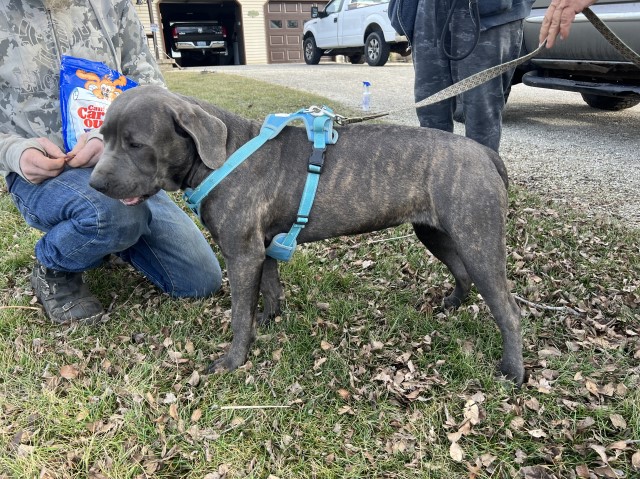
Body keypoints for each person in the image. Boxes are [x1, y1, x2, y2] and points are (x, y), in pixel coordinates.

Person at [0, 0, 222, 325]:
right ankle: (54, 265)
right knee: (112, 215)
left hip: (121, 161)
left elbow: (150, 85)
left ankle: (107, 238)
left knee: (199, 280)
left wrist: (105, 137)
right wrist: (14, 152)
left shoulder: (114, 4)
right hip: (42, 174)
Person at [391, 0, 536, 153]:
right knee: (431, 113)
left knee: (481, 114)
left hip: (489, 12)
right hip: (427, 9)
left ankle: (481, 175)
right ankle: (437, 175)